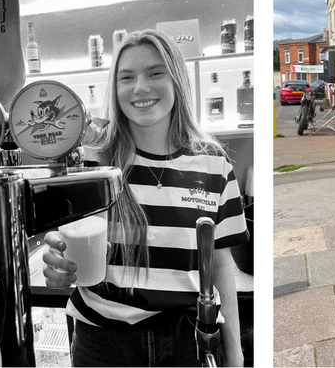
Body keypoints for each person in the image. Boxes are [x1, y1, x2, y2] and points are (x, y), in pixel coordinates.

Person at [42, 29, 249, 367]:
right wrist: (59, 263)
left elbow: (221, 263)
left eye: (155, 73)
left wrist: (236, 354)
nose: (140, 87)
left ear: (177, 80)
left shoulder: (213, 163)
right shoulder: (93, 161)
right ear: (116, 88)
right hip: (103, 346)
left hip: (187, 342)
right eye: (127, 77)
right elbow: (66, 241)